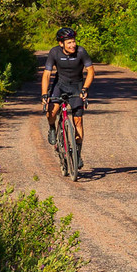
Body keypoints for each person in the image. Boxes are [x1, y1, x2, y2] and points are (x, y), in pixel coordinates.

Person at [42, 25, 96, 170]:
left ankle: (77, 154)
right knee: (51, 112)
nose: (73, 45)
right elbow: (47, 74)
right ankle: (52, 127)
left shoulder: (81, 51)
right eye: (69, 42)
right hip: (59, 85)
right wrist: (44, 94)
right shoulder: (54, 52)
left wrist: (85, 88)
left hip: (77, 86)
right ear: (61, 44)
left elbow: (90, 71)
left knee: (78, 120)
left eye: (73, 41)